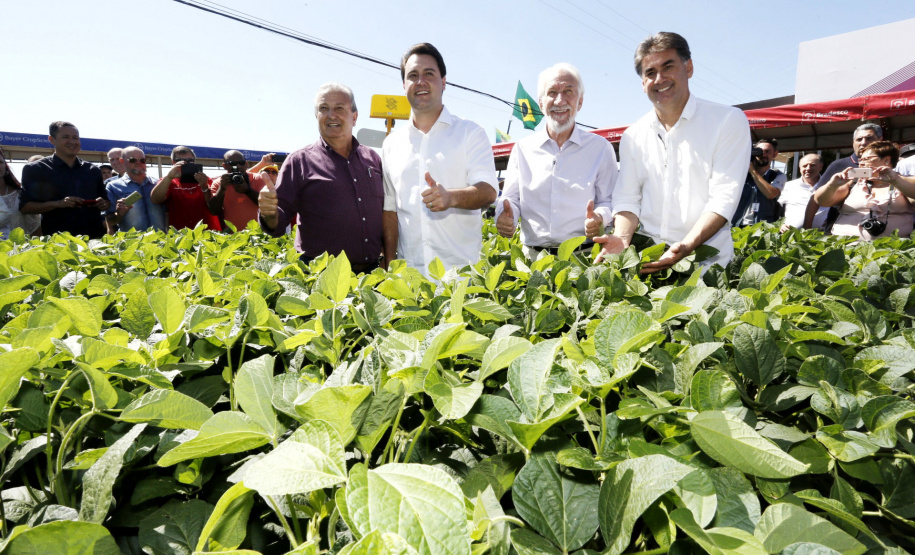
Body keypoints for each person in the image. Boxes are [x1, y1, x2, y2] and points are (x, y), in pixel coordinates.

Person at [595, 32, 750, 272]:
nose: (660, 78)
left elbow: (723, 198)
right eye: (650, 72)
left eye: (668, 67)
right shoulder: (633, 135)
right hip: (647, 258)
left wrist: (686, 246)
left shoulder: (727, 121)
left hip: (706, 264)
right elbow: (627, 197)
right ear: (642, 83)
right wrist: (623, 238)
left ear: (688, 68)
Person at [382, 43, 498, 276]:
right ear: (404, 85)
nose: (420, 82)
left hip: (462, 279)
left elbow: (488, 191)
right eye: (412, 76)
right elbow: (390, 211)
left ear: (444, 82)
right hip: (409, 282)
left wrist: (451, 197)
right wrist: (390, 268)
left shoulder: (470, 133)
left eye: (429, 74)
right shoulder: (391, 144)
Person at [258, 82, 386, 272]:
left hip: (373, 274)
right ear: (316, 116)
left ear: (355, 116)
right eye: (323, 108)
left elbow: (385, 213)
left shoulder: (373, 159)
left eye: (339, 108)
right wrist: (269, 213)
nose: (331, 115)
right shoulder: (299, 161)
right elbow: (277, 223)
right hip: (321, 277)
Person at [495, 63, 617, 255]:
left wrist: (600, 218)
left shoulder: (600, 148)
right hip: (533, 262)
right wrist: (505, 214)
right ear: (541, 103)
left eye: (568, 91)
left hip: (583, 258)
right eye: (552, 92)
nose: (560, 101)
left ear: (580, 102)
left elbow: (608, 201)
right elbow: (511, 198)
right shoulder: (522, 149)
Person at [19, 121, 110, 238]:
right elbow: (25, 207)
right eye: (66, 137)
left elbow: (106, 202)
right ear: (52, 140)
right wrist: (59, 204)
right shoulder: (36, 169)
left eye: (75, 138)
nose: (72, 142)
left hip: (94, 241)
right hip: (57, 243)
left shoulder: (92, 170)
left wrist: (103, 203)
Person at [813, 140, 915, 241]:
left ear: (887, 160)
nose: (861, 163)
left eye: (867, 159)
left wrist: (895, 180)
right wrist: (832, 184)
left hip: (892, 250)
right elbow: (821, 201)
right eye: (860, 159)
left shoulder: (903, 182)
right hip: (847, 248)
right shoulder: (853, 183)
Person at [804, 123, 882, 229]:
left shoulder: (890, 166)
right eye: (859, 139)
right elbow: (815, 198)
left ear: (880, 140)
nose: (864, 143)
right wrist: (806, 227)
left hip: (880, 228)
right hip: (841, 229)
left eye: (869, 138)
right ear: (853, 143)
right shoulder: (839, 165)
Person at [150, 146, 221, 231]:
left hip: (207, 232)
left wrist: (205, 187)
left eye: (190, 161)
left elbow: (214, 207)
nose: (186, 164)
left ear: (194, 161)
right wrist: (169, 177)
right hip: (181, 235)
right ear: (173, 162)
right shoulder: (169, 181)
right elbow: (155, 199)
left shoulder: (205, 179)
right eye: (180, 161)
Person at [105, 146, 166, 232]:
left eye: (142, 160)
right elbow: (110, 221)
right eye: (133, 160)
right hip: (132, 243)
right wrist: (119, 214)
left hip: (160, 242)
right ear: (122, 161)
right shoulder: (113, 186)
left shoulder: (158, 184)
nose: (138, 163)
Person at [209, 150, 268, 231]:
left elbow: (267, 205)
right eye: (232, 163)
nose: (238, 166)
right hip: (232, 236)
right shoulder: (218, 183)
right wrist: (222, 189)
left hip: (257, 234)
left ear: (246, 164)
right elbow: (214, 211)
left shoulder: (258, 178)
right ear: (224, 166)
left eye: (241, 163)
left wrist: (248, 191)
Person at [732, 138, 786, 226]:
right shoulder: (741, 174)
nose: (763, 154)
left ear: (775, 154)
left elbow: (771, 194)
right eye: (759, 151)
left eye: (767, 151)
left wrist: (753, 171)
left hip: (763, 227)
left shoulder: (777, 175)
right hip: (737, 224)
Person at [0, 147, 40, 239]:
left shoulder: (20, 196)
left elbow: (35, 230)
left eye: (0, 162)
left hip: (17, 251)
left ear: (5, 167)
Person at [778, 153, 823, 232]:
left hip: (823, 236)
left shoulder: (829, 185)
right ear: (800, 168)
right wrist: (780, 224)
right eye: (804, 166)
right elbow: (777, 208)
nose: (808, 168)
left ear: (820, 167)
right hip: (793, 236)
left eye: (812, 165)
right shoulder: (789, 186)